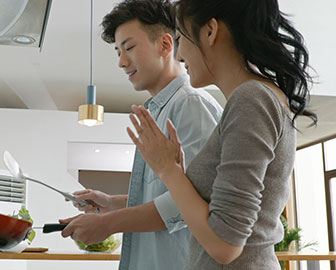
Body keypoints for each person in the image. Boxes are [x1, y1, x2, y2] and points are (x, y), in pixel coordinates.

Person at [126, 0, 318, 269]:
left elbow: (225, 245)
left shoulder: (251, 99)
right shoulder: (253, 98)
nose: (179, 57)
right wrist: (177, 174)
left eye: (181, 39)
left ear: (210, 31)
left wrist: (168, 170)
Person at [59, 1, 223, 269]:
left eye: (130, 48)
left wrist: (107, 224)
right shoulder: (160, 109)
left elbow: (192, 202)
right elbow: (171, 193)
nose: (122, 62)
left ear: (166, 45)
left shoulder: (189, 105)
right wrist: (111, 203)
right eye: (118, 52)